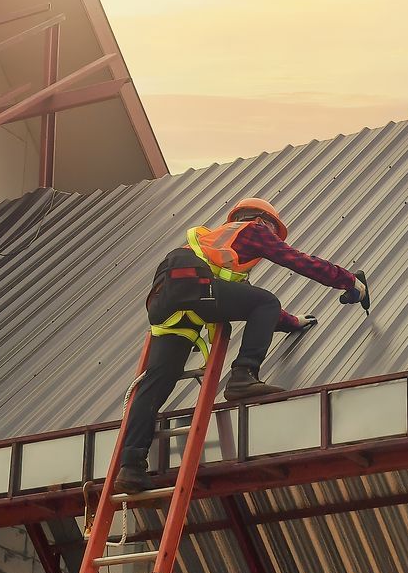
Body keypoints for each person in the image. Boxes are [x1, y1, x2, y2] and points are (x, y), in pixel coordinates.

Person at [116, 197, 367, 494]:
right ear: (264, 222)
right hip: (194, 286)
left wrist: (293, 322)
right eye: (274, 231)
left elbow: (245, 300)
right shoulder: (253, 230)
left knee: (156, 383)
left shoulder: (219, 249)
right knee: (266, 299)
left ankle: (130, 467)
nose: (272, 238)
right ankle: (243, 376)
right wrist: (349, 281)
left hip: (168, 300)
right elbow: (297, 261)